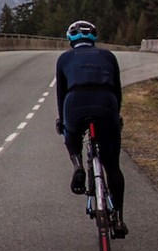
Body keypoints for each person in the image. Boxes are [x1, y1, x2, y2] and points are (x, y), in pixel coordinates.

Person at [54, 20, 129, 238]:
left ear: (71, 40)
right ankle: (120, 219)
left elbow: (61, 94)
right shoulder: (107, 56)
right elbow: (117, 89)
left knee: (71, 133)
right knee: (113, 166)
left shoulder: (64, 59)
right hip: (106, 102)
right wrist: (116, 115)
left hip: (75, 101)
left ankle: (77, 164)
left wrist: (62, 120)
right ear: (93, 38)